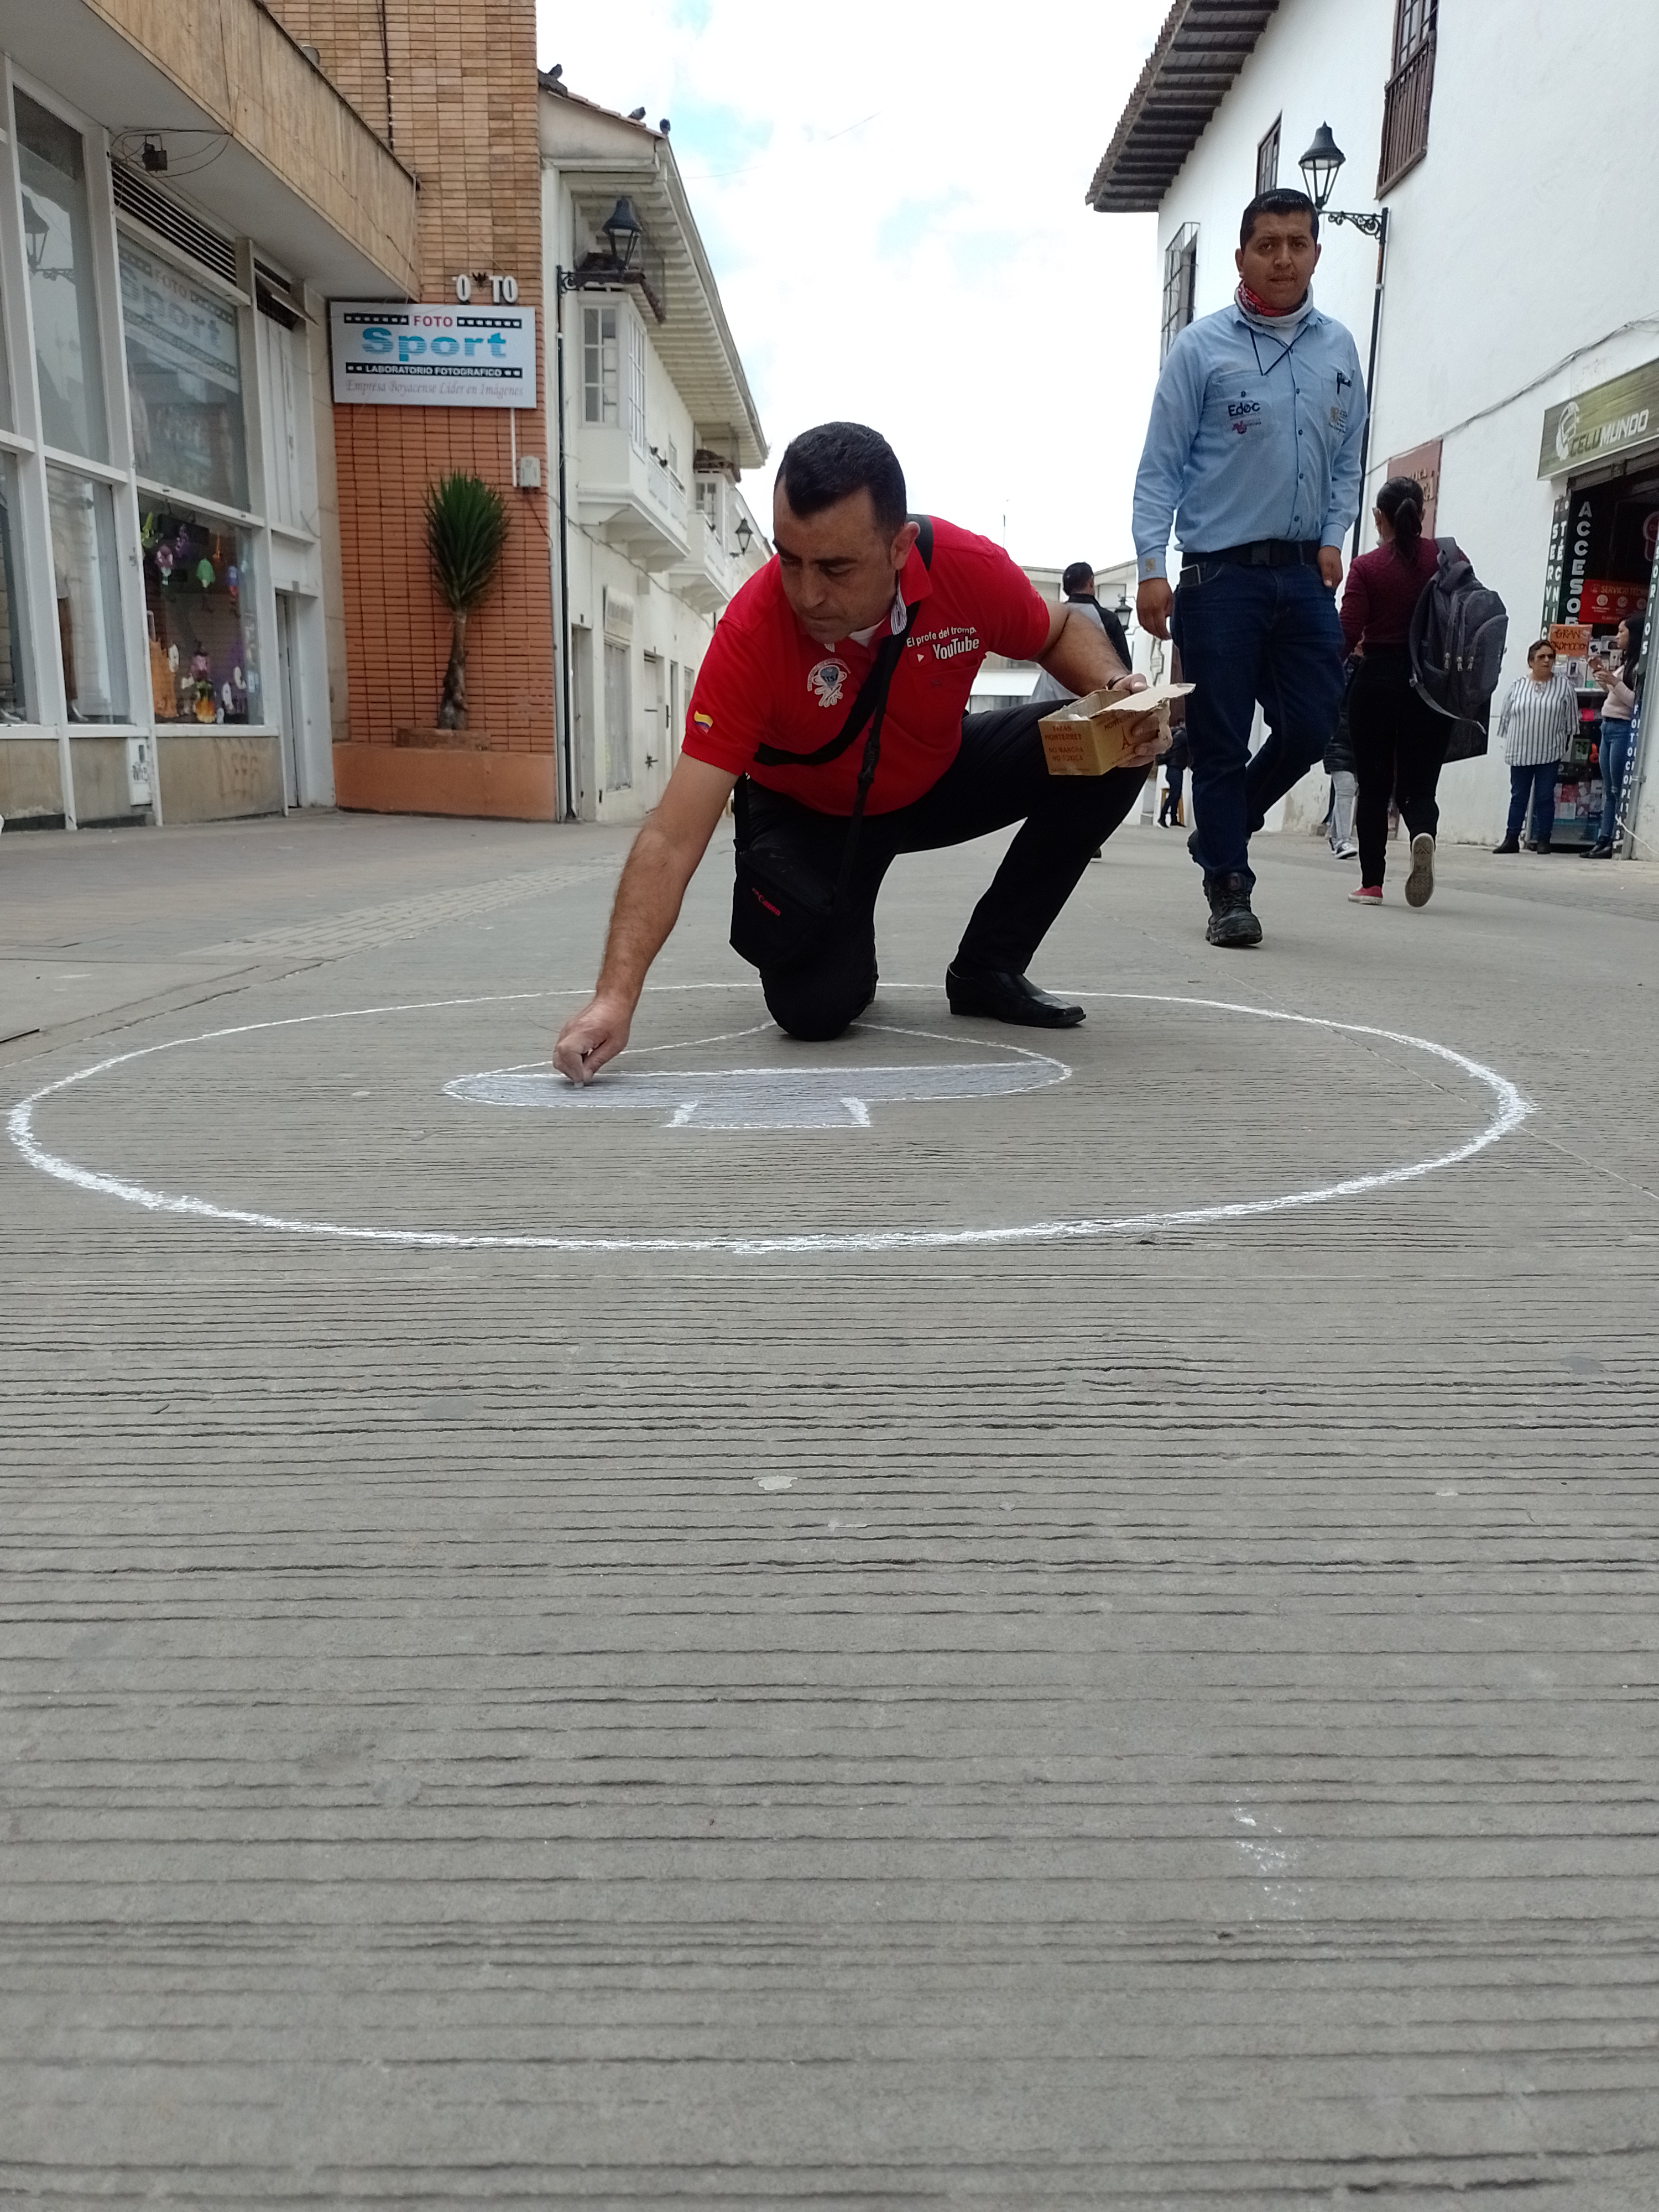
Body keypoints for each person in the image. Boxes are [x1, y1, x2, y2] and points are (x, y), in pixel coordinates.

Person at [552, 422, 1163, 1082]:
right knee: (815, 1011)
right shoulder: (752, 635)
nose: (807, 593)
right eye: (789, 559)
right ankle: (844, 933)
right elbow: (671, 837)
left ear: (899, 545)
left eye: (835, 568)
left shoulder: (965, 568)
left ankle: (989, 966)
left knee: (1118, 747)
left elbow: (1059, 629)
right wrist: (614, 998)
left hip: (935, 776)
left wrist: (1116, 690)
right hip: (811, 812)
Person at [1133, 186, 1365, 947]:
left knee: (1311, 723)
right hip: (1218, 578)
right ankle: (1229, 887)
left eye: (1297, 244)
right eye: (1268, 246)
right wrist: (1151, 565)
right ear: (1242, 258)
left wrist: (1334, 534)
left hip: (1302, 575)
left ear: (1316, 253)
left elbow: (1348, 459)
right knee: (1221, 739)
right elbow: (1160, 468)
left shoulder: (1339, 350)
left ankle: (1226, 823)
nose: (1283, 259)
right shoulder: (1201, 350)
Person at [1339, 476, 1444, 906]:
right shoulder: (1446, 557)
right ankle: (1422, 832)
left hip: (1377, 681)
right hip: (1432, 686)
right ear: (1422, 512)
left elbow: (1347, 633)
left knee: (1374, 783)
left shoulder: (1366, 567)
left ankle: (1372, 883)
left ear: (1378, 517)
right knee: (1420, 784)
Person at [1493, 640, 1580, 853]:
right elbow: (1506, 718)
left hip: (1549, 752)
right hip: (1520, 751)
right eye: (1541, 657)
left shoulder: (1564, 687)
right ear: (1531, 662)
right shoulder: (1517, 686)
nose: (1547, 661)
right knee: (1518, 796)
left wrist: (1564, 745)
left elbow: (1571, 722)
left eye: (1551, 657)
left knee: (1545, 796)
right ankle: (1511, 838)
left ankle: (1543, 840)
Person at [1030, 562, 1132, 704]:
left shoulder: (1054, 615)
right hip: (1092, 703)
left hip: (1048, 699)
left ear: (1066, 589)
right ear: (1091, 582)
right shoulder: (1107, 619)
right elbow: (1125, 667)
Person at [1587, 613, 1642, 857]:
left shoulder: (1638, 667)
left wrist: (1613, 681)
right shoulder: (1625, 663)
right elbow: (1614, 694)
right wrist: (1602, 676)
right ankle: (1604, 838)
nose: (1617, 636)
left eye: (1622, 632)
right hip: (1607, 726)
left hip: (1622, 728)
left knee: (1617, 788)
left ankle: (1613, 839)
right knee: (1609, 788)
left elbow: (1634, 701)